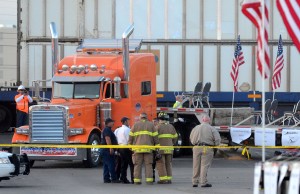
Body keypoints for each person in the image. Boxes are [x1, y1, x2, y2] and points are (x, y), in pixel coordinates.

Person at [189, 114, 221, 188]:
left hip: (196, 147)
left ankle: (195, 182)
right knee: (204, 166)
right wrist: (215, 146)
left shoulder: (196, 128)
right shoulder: (212, 129)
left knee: (195, 165)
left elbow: (191, 138)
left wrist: (194, 143)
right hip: (207, 148)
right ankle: (203, 182)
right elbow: (217, 139)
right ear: (209, 120)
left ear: (202, 120)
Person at [128, 113, 159, 185]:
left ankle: (137, 180)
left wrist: (130, 146)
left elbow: (130, 137)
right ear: (146, 117)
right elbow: (155, 137)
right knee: (148, 165)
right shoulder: (151, 125)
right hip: (149, 149)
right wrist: (157, 147)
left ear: (140, 117)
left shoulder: (135, 125)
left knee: (137, 165)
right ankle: (149, 180)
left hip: (138, 149)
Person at [156, 112, 178, 184]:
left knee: (161, 164)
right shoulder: (171, 126)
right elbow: (175, 137)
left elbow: (154, 138)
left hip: (161, 149)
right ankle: (169, 179)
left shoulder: (157, 127)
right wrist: (172, 143)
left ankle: (163, 179)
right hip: (170, 148)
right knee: (168, 163)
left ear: (159, 119)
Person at [100, 118, 121, 183]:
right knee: (111, 164)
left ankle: (106, 179)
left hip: (105, 150)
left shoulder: (107, 129)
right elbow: (107, 138)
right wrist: (111, 148)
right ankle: (114, 178)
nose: (113, 123)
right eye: (112, 122)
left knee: (106, 165)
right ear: (108, 123)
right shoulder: (107, 129)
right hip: (107, 150)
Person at [114, 117, 134, 184]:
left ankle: (123, 178)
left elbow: (115, 139)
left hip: (120, 147)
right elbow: (130, 140)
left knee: (123, 164)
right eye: (128, 121)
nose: (129, 122)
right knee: (131, 164)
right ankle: (133, 179)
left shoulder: (117, 130)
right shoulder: (128, 130)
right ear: (125, 122)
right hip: (127, 148)